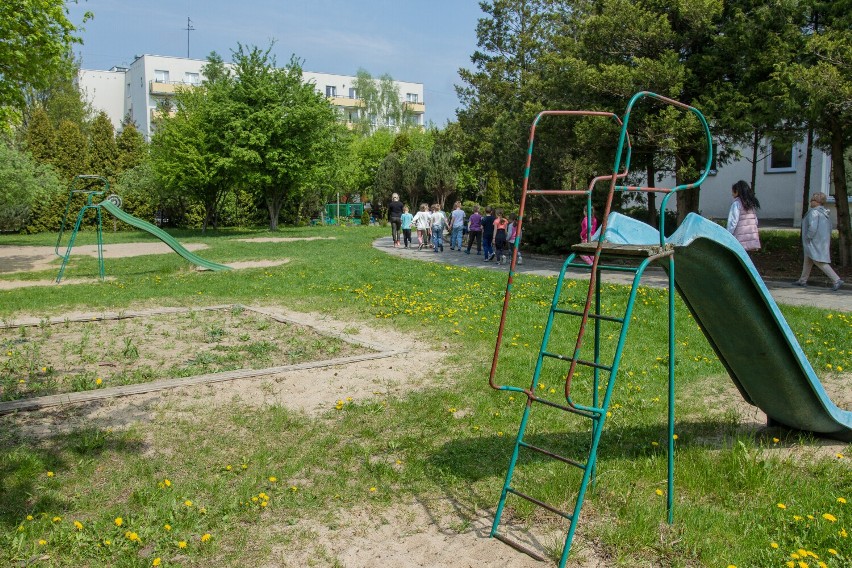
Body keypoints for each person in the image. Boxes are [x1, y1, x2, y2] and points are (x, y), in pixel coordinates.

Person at [794, 192, 844, 291]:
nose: (810, 202)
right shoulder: (825, 213)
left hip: (813, 241)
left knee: (818, 261)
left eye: (813, 200)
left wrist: (808, 237)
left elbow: (812, 227)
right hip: (821, 241)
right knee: (808, 260)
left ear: (818, 202)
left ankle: (836, 280)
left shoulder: (814, 212)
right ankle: (802, 280)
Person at [727, 180, 761, 251]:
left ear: (737, 192)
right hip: (751, 240)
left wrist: (728, 235)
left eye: (733, 191)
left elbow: (733, 222)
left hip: (740, 240)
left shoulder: (736, 204)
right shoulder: (751, 204)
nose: (732, 194)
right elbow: (756, 221)